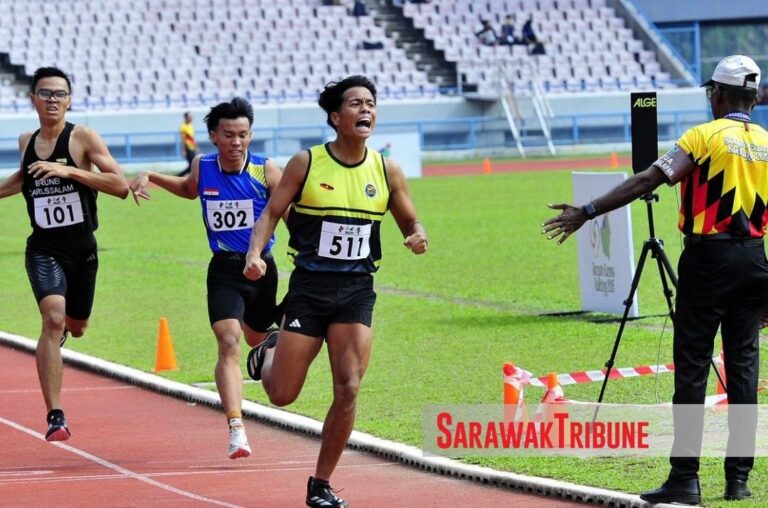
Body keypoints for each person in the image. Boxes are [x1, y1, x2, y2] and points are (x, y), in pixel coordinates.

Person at [541, 55, 766, 504]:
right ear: (754, 99)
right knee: (744, 370)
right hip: (755, 261)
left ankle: (685, 478)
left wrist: (587, 211)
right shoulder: (766, 142)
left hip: (708, 261)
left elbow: (649, 179)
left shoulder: (702, 136)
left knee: (693, 367)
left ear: (720, 95)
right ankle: (738, 480)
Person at [242, 75, 428, 507]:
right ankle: (269, 349)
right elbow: (271, 213)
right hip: (309, 289)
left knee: (348, 387)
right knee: (282, 394)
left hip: (357, 291)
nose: (366, 110)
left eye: (371, 103)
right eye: (356, 103)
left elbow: (410, 220)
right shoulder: (306, 163)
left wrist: (417, 235)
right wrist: (254, 253)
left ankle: (320, 484)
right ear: (335, 117)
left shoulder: (386, 169)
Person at [129, 97, 282, 460]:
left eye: (243, 134)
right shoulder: (204, 165)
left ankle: (269, 344)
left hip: (262, 269)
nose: (236, 142)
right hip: (224, 270)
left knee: (256, 336)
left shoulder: (266, 171)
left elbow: (286, 213)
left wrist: (303, 253)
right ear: (214, 135)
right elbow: (189, 189)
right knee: (229, 341)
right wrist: (151, 176)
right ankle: (236, 428)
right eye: (228, 135)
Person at [0, 66, 129, 441]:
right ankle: (55, 415)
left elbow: (120, 185)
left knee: (77, 326)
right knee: (53, 318)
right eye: (45, 93)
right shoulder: (26, 141)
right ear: (33, 100)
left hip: (83, 251)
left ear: (69, 100)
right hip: (44, 249)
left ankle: (63, 333)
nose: (52, 100)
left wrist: (70, 172)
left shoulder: (83, 137)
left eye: (59, 94)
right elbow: (24, 178)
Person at [177, 111, 198, 177]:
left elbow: (193, 138)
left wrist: (197, 147)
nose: (191, 118)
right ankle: (178, 176)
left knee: (192, 166)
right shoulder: (183, 126)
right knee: (192, 165)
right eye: (190, 117)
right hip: (187, 148)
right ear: (186, 118)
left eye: (192, 117)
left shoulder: (190, 125)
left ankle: (180, 177)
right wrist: (183, 150)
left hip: (192, 147)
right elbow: (182, 139)